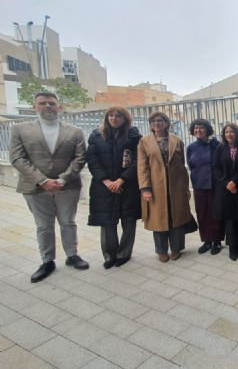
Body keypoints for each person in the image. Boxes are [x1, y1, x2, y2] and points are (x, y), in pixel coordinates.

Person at [10, 92, 89, 282]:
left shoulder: (75, 131)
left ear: (59, 107)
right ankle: (47, 261)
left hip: (67, 186)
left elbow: (80, 158)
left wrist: (62, 180)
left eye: (51, 103)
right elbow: (17, 158)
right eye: (42, 103)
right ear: (35, 107)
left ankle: (72, 255)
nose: (47, 106)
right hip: (35, 187)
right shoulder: (20, 129)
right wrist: (43, 180)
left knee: (68, 222)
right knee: (43, 225)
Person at [87, 106, 142, 269]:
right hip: (103, 187)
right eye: (111, 115)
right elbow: (92, 160)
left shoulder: (133, 136)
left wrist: (121, 180)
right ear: (106, 118)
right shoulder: (96, 135)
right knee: (107, 222)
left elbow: (138, 161)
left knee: (128, 220)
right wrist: (106, 181)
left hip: (127, 185)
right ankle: (109, 255)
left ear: (125, 119)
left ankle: (124, 253)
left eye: (118, 116)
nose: (114, 118)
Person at [138, 112, 194, 262]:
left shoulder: (176, 140)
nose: (157, 123)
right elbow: (142, 167)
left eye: (160, 120)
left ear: (166, 123)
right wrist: (145, 188)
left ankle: (176, 248)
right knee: (159, 219)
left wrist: (185, 187)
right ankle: (161, 250)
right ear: (150, 124)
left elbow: (182, 166)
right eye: (153, 121)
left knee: (177, 217)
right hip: (156, 187)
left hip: (176, 186)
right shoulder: (144, 142)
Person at [213, 123, 238, 261]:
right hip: (225, 190)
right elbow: (216, 168)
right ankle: (232, 248)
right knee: (229, 219)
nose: (229, 134)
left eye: (232, 132)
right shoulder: (220, 148)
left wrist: (234, 182)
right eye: (226, 132)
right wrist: (226, 183)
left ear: (237, 133)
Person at [187, 119, 225, 256]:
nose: (198, 130)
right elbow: (191, 165)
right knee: (202, 213)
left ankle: (217, 241)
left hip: (215, 185)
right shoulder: (191, 148)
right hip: (199, 185)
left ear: (207, 130)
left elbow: (222, 164)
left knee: (215, 213)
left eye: (201, 128)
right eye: (196, 128)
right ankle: (207, 240)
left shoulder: (217, 145)